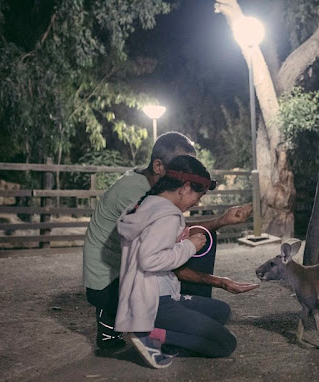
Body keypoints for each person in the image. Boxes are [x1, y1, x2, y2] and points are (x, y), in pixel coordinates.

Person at [83, 131, 257, 350]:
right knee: (199, 244)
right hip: (116, 285)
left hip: (132, 275)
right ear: (159, 166)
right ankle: (155, 328)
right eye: (181, 167)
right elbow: (154, 257)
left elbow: (177, 235)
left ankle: (175, 321)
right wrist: (217, 280)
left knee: (202, 240)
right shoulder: (144, 199)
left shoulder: (151, 193)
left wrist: (220, 222)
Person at [116, 154, 238, 368]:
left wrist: (175, 241)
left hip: (143, 295)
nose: (196, 202)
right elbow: (149, 259)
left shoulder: (144, 205)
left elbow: (145, 248)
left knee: (221, 311)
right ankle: (154, 337)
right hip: (156, 301)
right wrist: (189, 246)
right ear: (184, 187)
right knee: (225, 343)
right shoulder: (168, 215)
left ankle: (159, 336)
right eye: (197, 197)